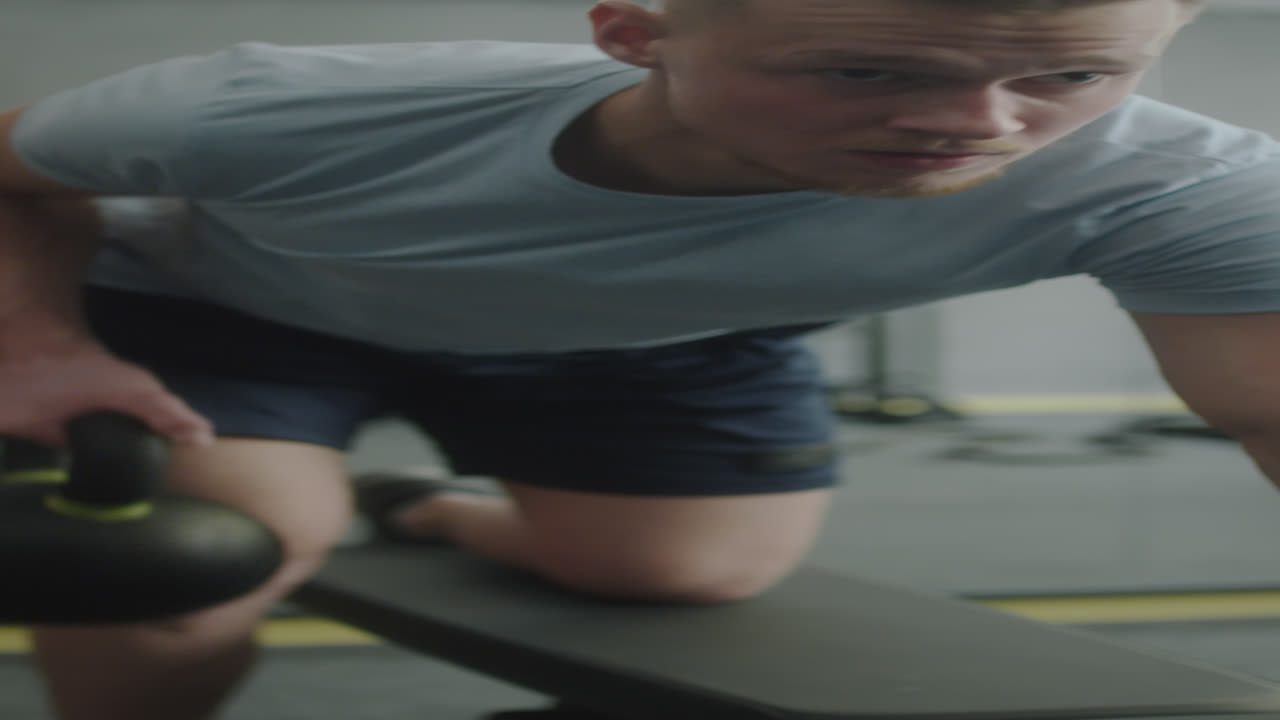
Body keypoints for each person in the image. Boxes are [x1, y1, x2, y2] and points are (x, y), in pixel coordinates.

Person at [2, 0, 1277, 717]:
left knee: (681, 574)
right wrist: (37, 348)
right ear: (635, 30)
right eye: (859, 69)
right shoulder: (272, 104)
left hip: (657, 339)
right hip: (247, 312)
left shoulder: (1181, 183)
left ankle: (423, 507)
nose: (974, 126)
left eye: (1072, 72)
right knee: (201, 560)